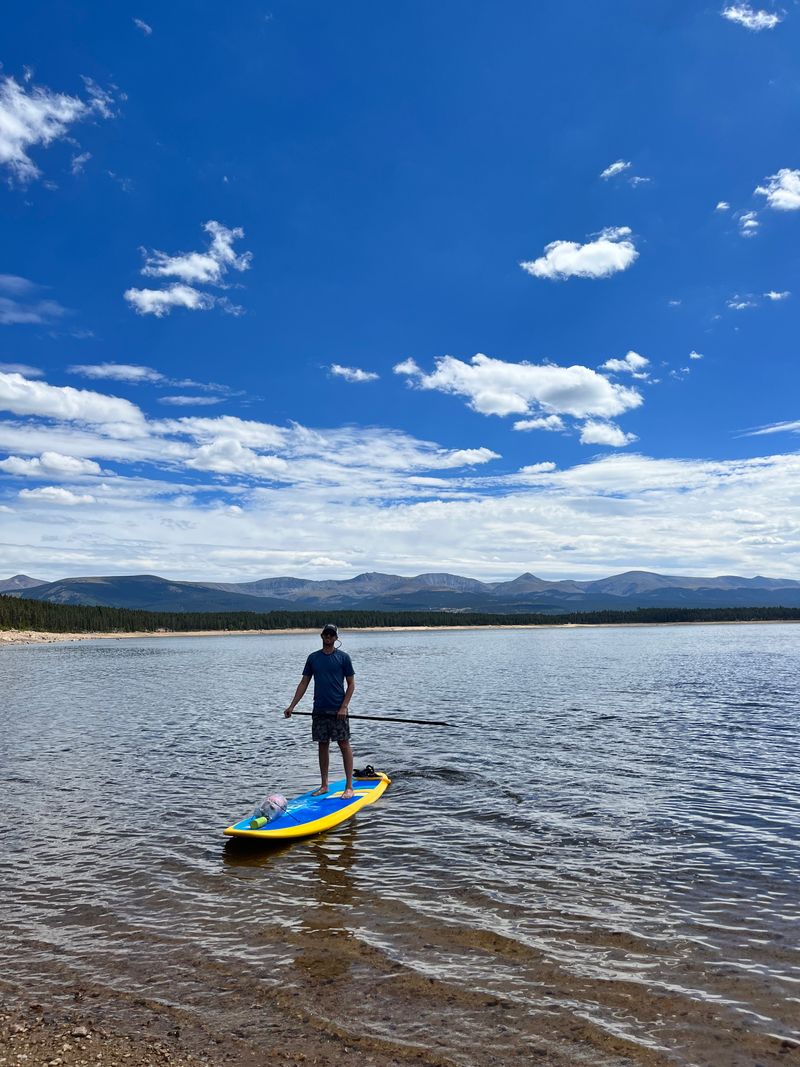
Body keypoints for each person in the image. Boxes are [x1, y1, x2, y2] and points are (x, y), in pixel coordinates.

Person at [284, 623, 356, 799]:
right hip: (320, 710)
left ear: (336, 638)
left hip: (339, 710)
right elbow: (304, 683)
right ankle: (324, 785)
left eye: (332, 635)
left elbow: (351, 684)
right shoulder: (313, 658)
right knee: (322, 745)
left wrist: (344, 707)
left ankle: (349, 787)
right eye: (326, 634)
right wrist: (292, 706)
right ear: (322, 636)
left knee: (343, 744)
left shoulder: (344, 658)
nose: (329, 637)